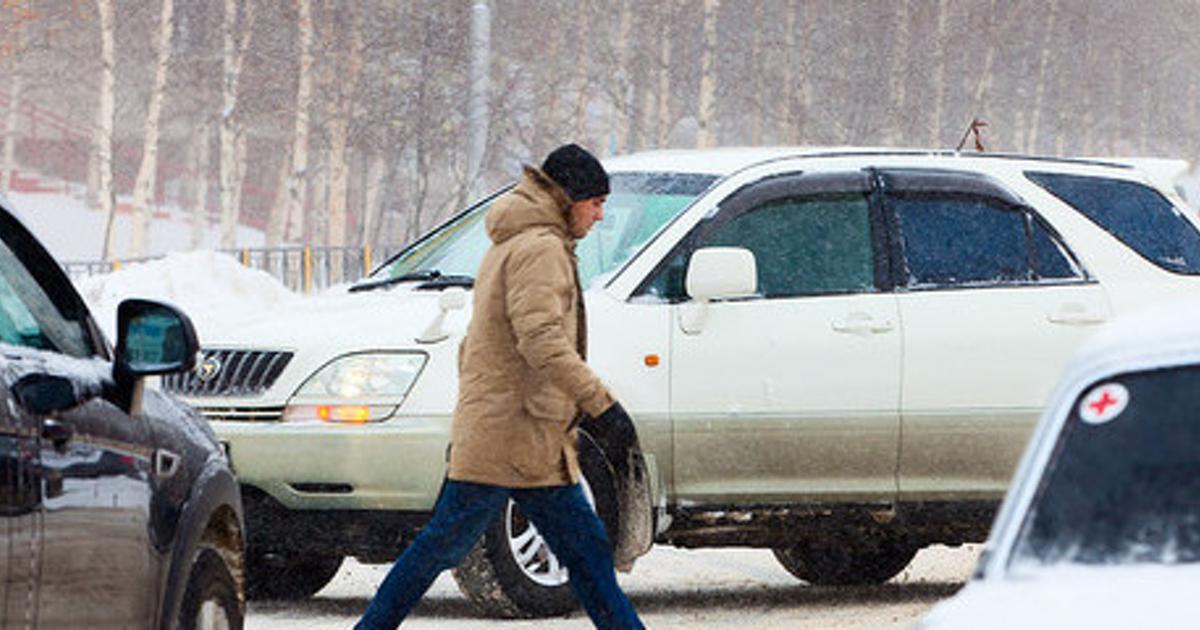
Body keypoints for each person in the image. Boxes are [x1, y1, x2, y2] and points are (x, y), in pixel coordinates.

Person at [356, 143, 645, 630]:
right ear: (570, 197)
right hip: (512, 435)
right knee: (444, 546)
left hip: (522, 433)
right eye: (596, 203)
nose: (600, 216)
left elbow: (482, 344)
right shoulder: (540, 249)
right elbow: (542, 342)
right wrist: (602, 405)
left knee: (585, 552)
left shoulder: (517, 241)